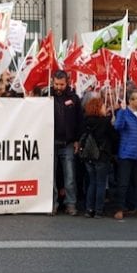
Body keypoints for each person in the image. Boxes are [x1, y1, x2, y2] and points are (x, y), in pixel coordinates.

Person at [113, 89, 137, 221]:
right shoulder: (123, 112)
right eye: (136, 98)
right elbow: (118, 127)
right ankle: (119, 208)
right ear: (130, 101)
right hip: (126, 153)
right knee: (123, 183)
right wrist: (122, 112)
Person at [51, 70, 82, 216]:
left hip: (68, 143)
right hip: (50, 142)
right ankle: (52, 204)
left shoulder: (74, 98)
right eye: (56, 84)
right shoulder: (47, 97)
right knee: (51, 176)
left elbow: (79, 121)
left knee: (69, 177)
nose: (58, 87)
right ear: (52, 82)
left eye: (61, 84)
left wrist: (77, 139)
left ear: (67, 83)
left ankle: (71, 204)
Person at [81, 98, 117, 218]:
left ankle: (89, 209)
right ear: (98, 107)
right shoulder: (105, 122)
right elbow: (114, 137)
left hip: (88, 155)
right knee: (101, 183)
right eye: (103, 106)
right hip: (102, 155)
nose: (104, 108)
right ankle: (98, 210)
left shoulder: (85, 121)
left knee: (92, 182)